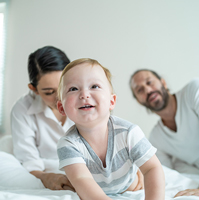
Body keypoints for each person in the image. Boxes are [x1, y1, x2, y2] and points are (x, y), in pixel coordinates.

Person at [56, 58, 165, 200]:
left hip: (129, 186)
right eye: (73, 89)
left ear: (111, 101)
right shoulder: (68, 144)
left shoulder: (129, 132)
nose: (84, 94)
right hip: (93, 190)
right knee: (77, 183)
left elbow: (152, 168)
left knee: (140, 179)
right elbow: (82, 179)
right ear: (61, 108)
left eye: (94, 86)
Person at [11, 46, 75, 190]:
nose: (60, 98)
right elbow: (30, 162)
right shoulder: (22, 109)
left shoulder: (88, 100)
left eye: (64, 87)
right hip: (45, 169)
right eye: (49, 92)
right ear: (34, 89)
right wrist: (46, 177)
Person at [130, 69, 199, 197]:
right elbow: (166, 177)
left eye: (149, 82)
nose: (147, 89)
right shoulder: (156, 138)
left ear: (163, 82)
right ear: (139, 101)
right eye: (139, 90)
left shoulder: (193, 90)